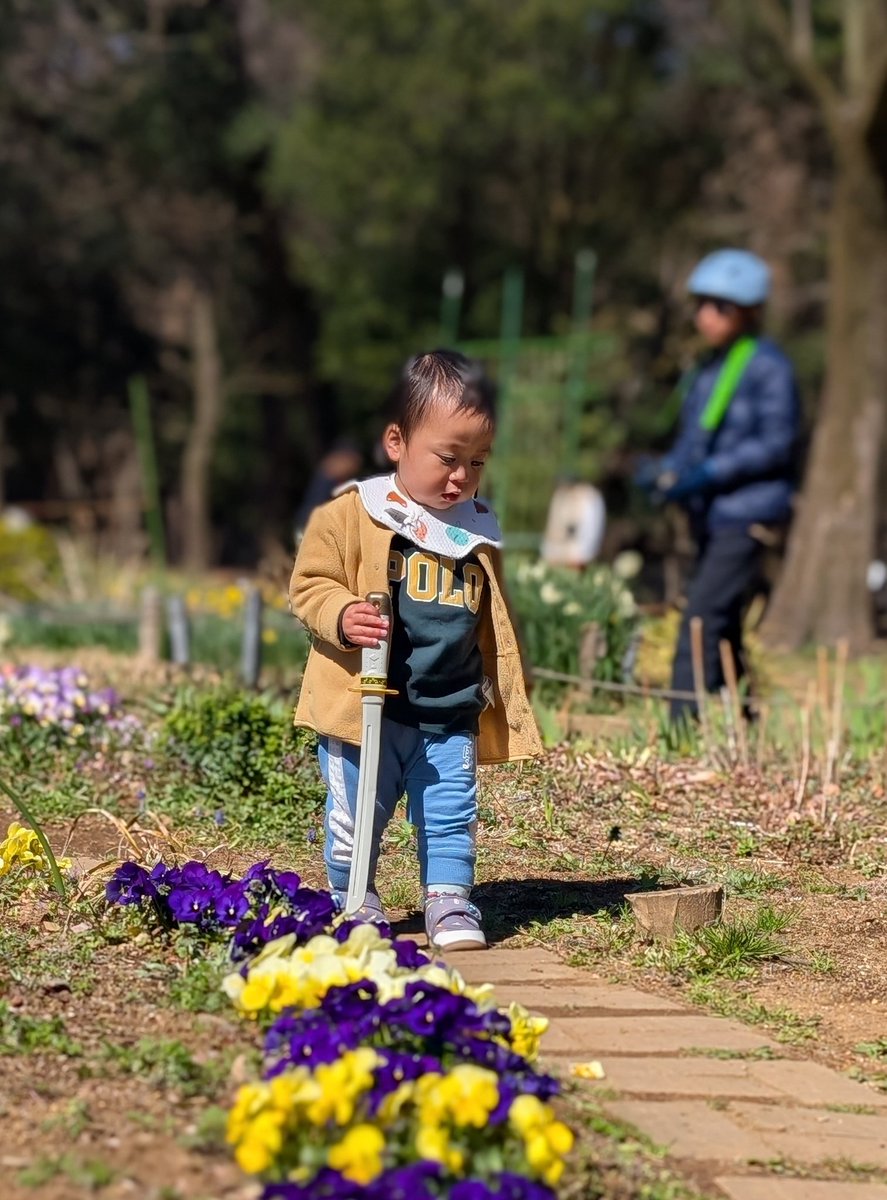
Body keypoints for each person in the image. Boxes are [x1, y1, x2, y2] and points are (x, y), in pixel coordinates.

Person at [289, 349, 541, 950]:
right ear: (397, 441)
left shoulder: (475, 529)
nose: (462, 476)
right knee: (357, 811)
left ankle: (449, 900)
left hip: (448, 707)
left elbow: (488, 614)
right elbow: (309, 583)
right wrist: (342, 614)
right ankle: (356, 897)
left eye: (477, 462)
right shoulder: (355, 513)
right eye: (448, 458)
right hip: (368, 707)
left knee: (450, 810)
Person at [635, 249, 800, 723]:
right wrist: (668, 473)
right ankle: (745, 722)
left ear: (748, 311)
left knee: (700, 620)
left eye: (720, 306)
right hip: (714, 514)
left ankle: (681, 732)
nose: (706, 315)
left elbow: (776, 443)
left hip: (749, 514)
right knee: (722, 622)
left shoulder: (769, 367)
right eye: (702, 304)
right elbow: (695, 441)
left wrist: (710, 474)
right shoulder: (709, 369)